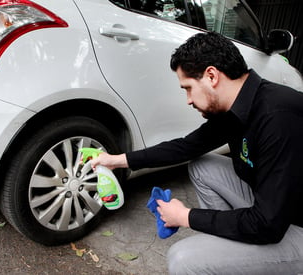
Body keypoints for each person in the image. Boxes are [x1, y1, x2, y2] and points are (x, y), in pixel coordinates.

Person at [90, 32, 303, 274]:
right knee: (203, 166)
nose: (188, 100)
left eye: (189, 88)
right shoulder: (240, 105)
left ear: (212, 76)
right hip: (278, 209)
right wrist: (118, 161)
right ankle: (233, 255)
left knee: (183, 259)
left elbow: (267, 225)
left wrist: (186, 216)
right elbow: (186, 146)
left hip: (289, 225)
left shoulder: (279, 118)